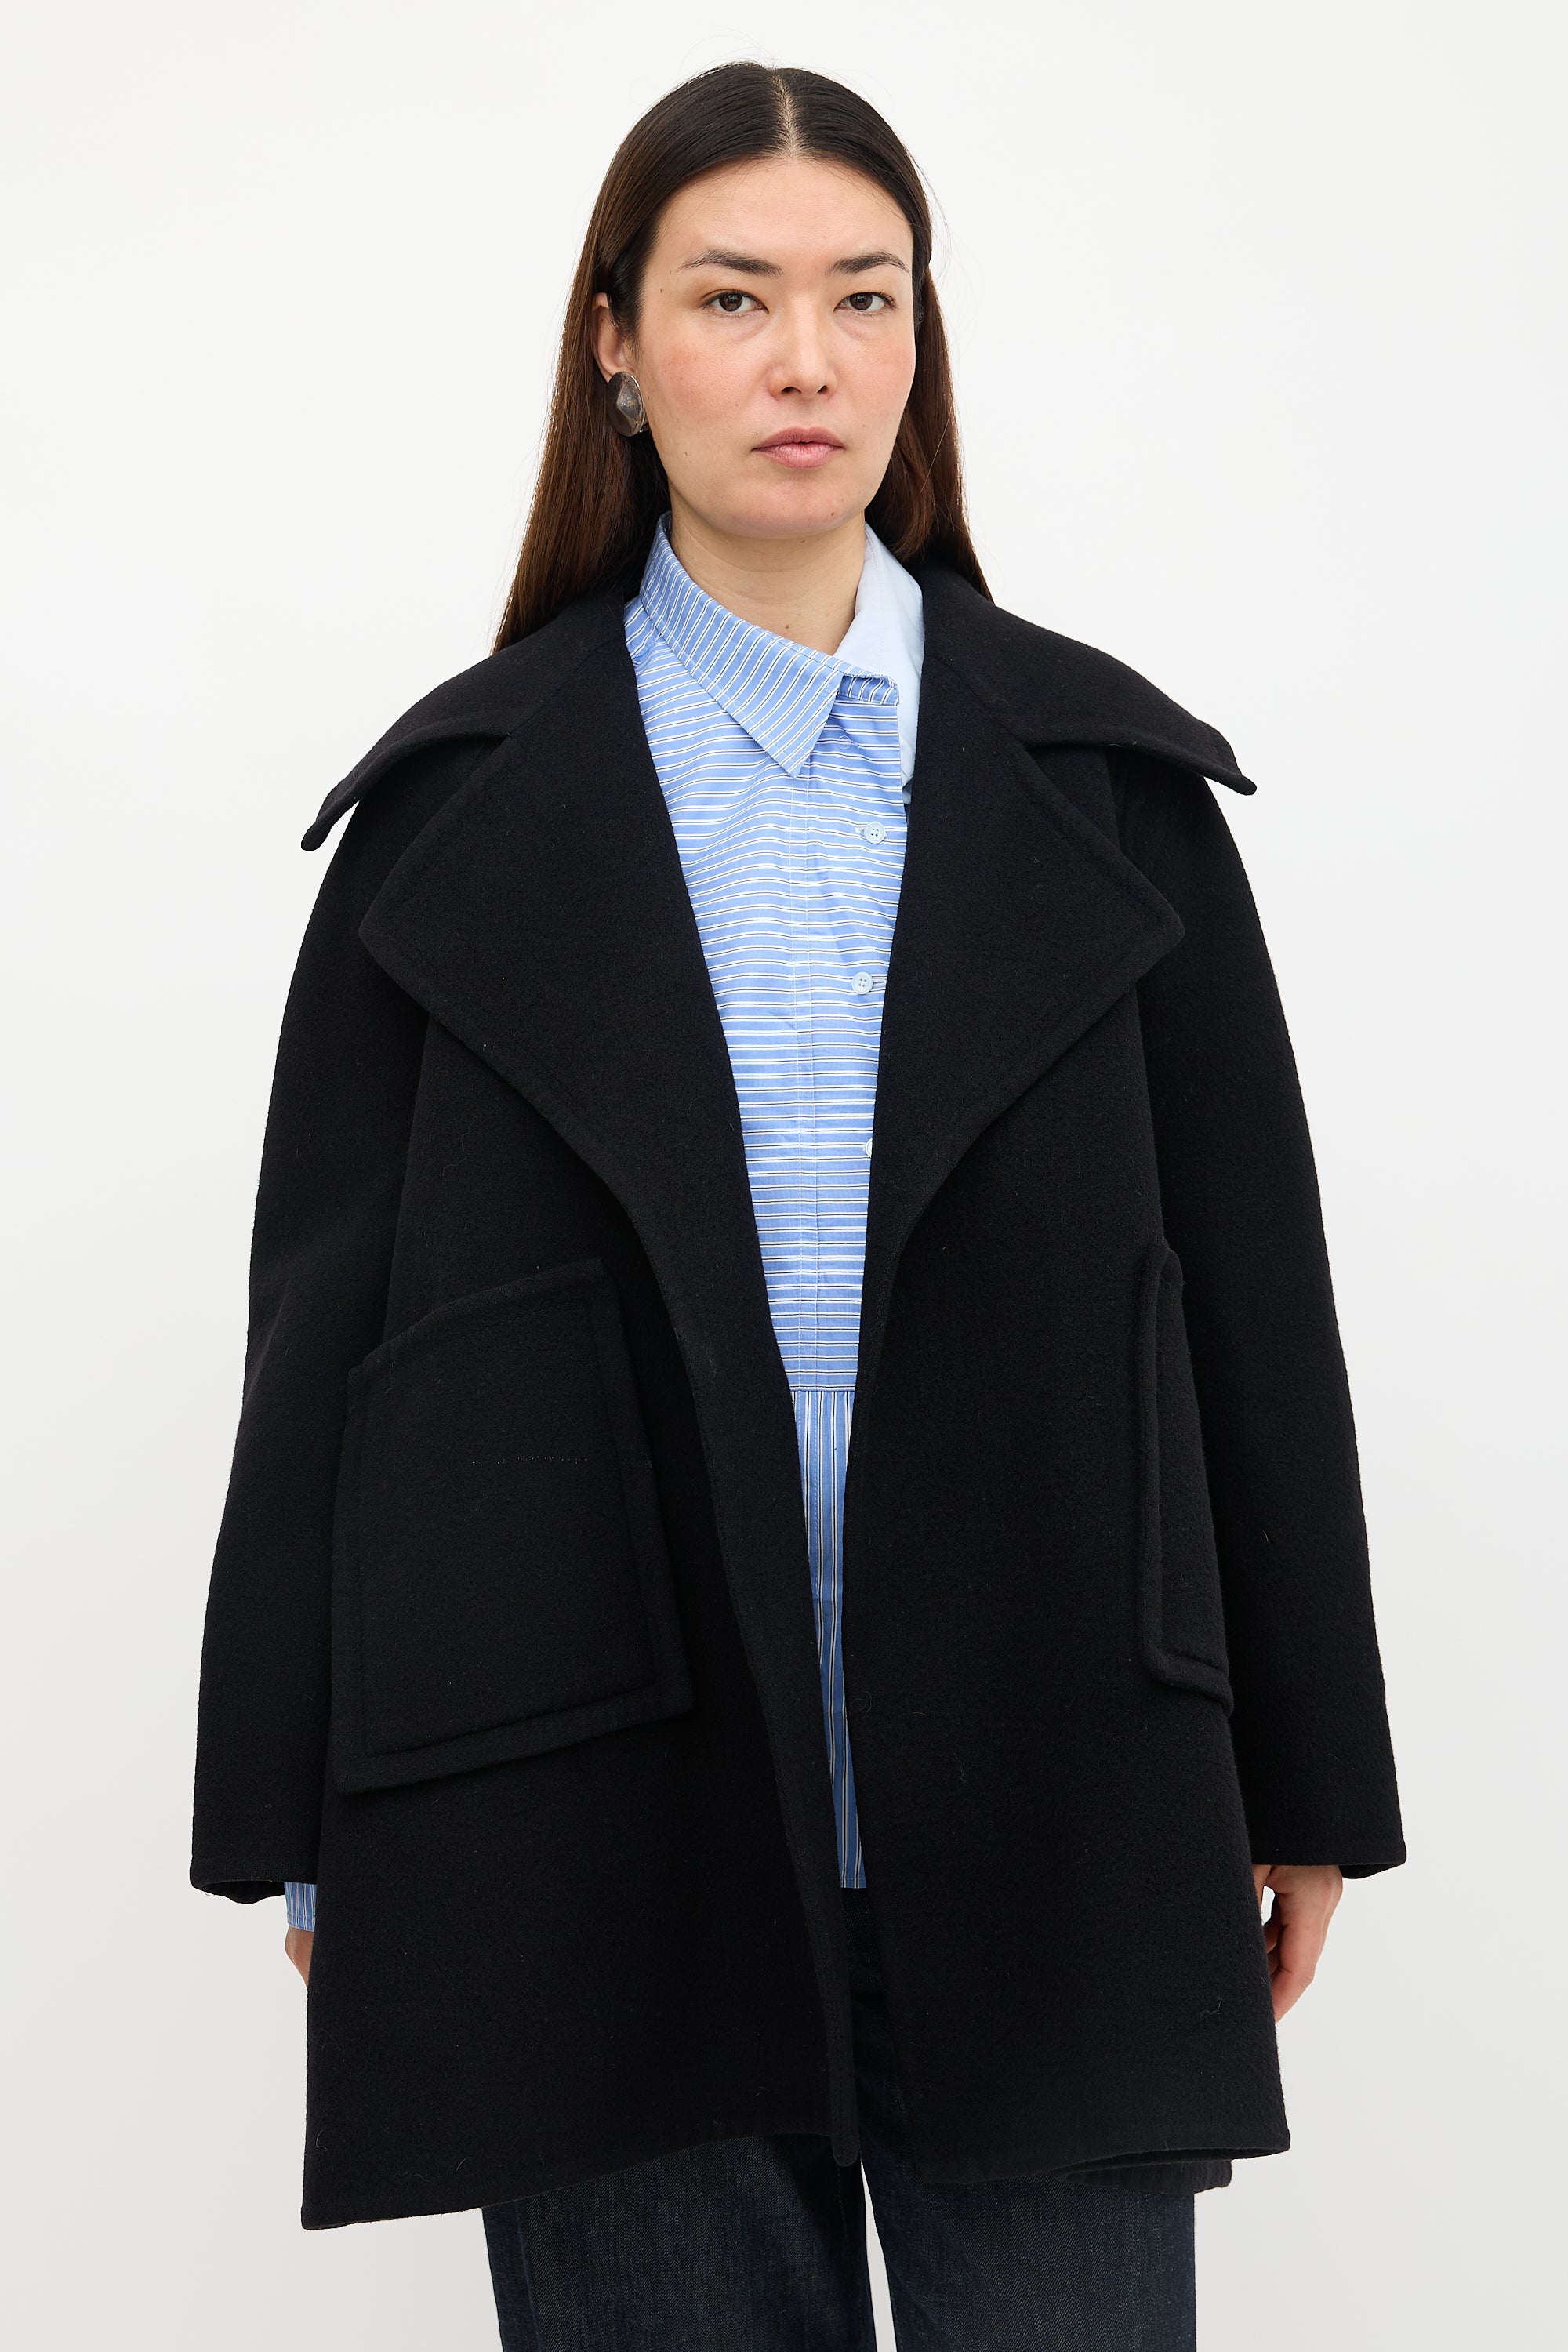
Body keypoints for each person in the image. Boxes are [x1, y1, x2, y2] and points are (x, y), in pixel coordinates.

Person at [189, 60, 1404, 2350]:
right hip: (590, 1809)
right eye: (734, 297)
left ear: (921, 343)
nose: (807, 361)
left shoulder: (1108, 791)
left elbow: (1255, 1306)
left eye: (866, 295)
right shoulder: (455, 818)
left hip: (1058, 1783)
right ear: (617, 345)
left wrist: (1312, 1773)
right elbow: (327, 1350)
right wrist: (310, 1820)